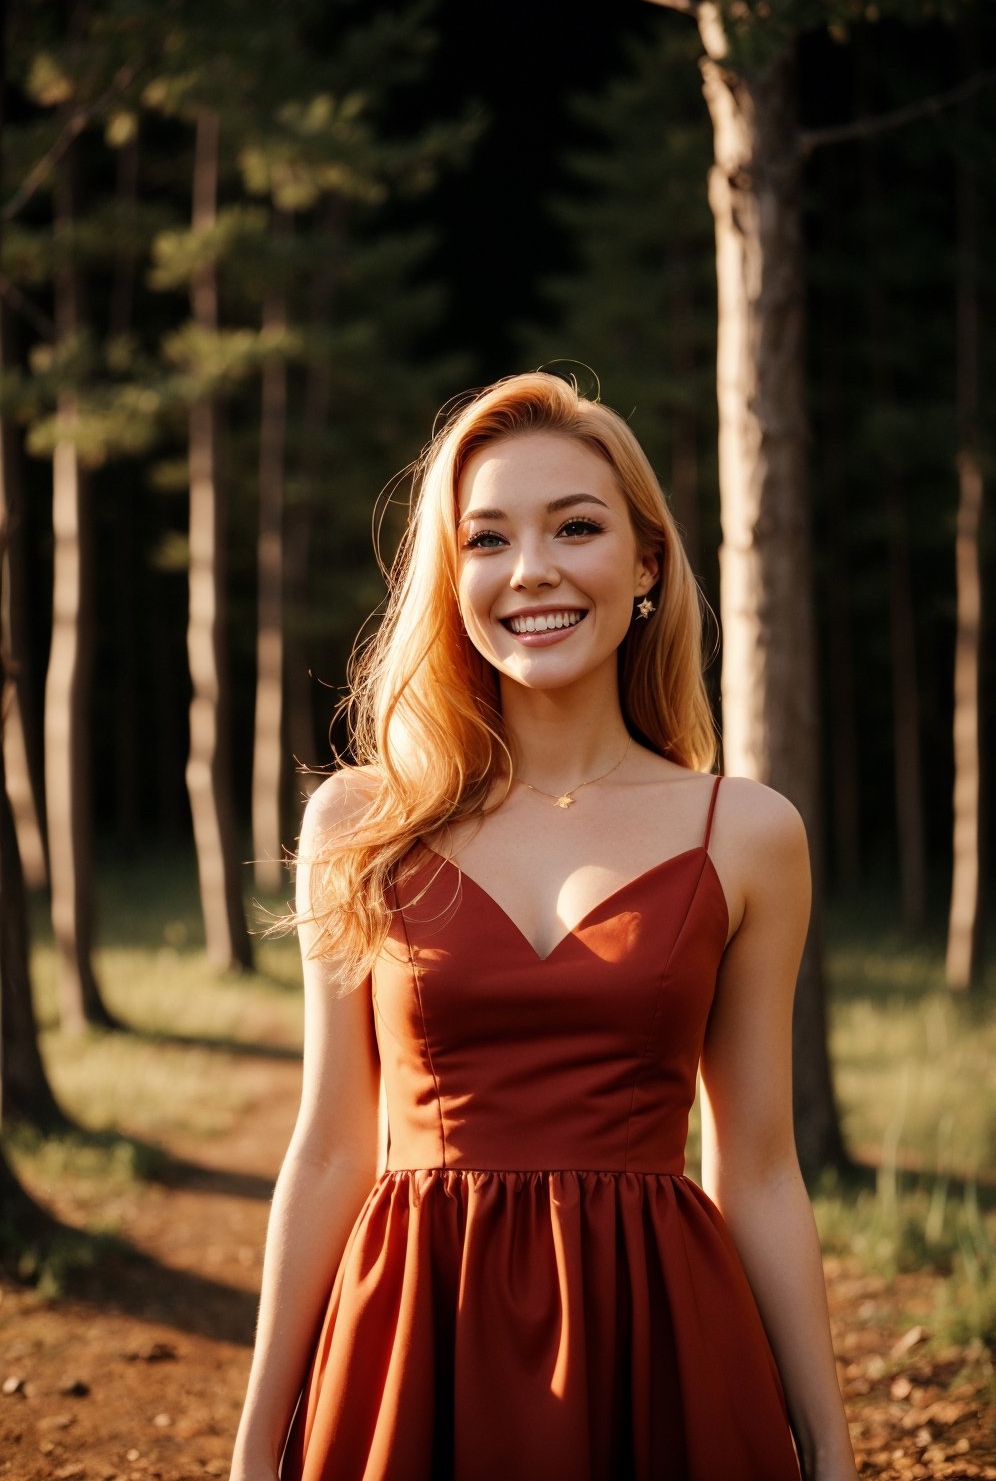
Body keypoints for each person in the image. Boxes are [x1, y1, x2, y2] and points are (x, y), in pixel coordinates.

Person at [230, 372, 858, 1481]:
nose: (532, 571)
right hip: (412, 1330)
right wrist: (255, 1443)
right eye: (486, 539)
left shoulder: (749, 832)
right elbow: (330, 1145)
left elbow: (755, 1167)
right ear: (450, 575)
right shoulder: (358, 821)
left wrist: (829, 1446)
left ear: (647, 563)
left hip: (655, 1333)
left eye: (577, 526)